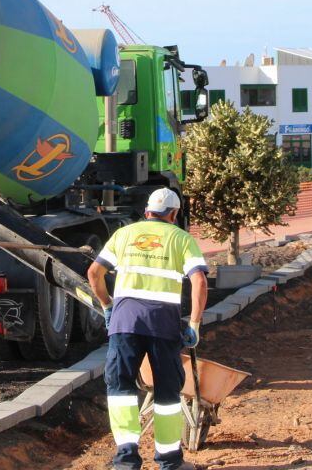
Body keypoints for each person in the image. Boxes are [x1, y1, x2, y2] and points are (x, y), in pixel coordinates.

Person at [87, 187, 209, 470]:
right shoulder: (181, 239)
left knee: (120, 387)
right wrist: (194, 324)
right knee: (167, 394)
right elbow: (199, 282)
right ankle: (169, 461)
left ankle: (126, 461)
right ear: (174, 214)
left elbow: (94, 273)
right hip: (163, 326)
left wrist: (108, 306)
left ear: (147, 211)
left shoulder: (124, 234)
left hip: (124, 324)